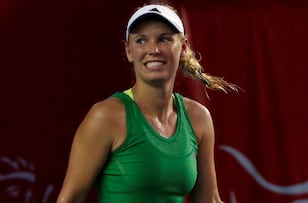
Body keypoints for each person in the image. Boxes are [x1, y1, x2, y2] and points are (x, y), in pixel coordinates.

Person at [57, 3, 238, 203]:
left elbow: (209, 200)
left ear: (184, 47)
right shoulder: (106, 117)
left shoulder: (198, 117)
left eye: (164, 39)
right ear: (129, 51)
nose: (153, 49)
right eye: (141, 40)